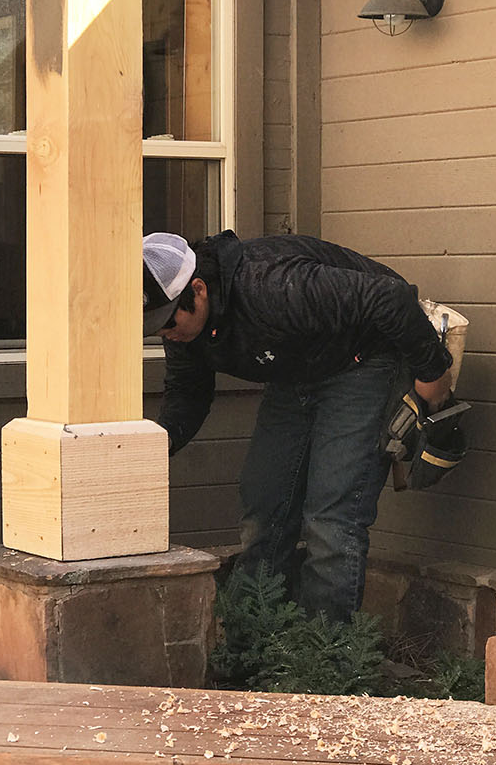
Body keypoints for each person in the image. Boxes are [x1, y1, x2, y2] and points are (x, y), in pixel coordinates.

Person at [143, 230, 453, 622]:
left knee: (332, 514)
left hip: (362, 360)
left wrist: (432, 372)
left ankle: (325, 655)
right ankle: (257, 639)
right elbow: (188, 392)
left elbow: (389, 297)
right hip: (294, 372)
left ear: (199, 290)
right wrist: (156, 446)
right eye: (155, 328)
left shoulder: (270, 285)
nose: (166, 333)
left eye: (169, 321)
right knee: (265, 502)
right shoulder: (182, 329)